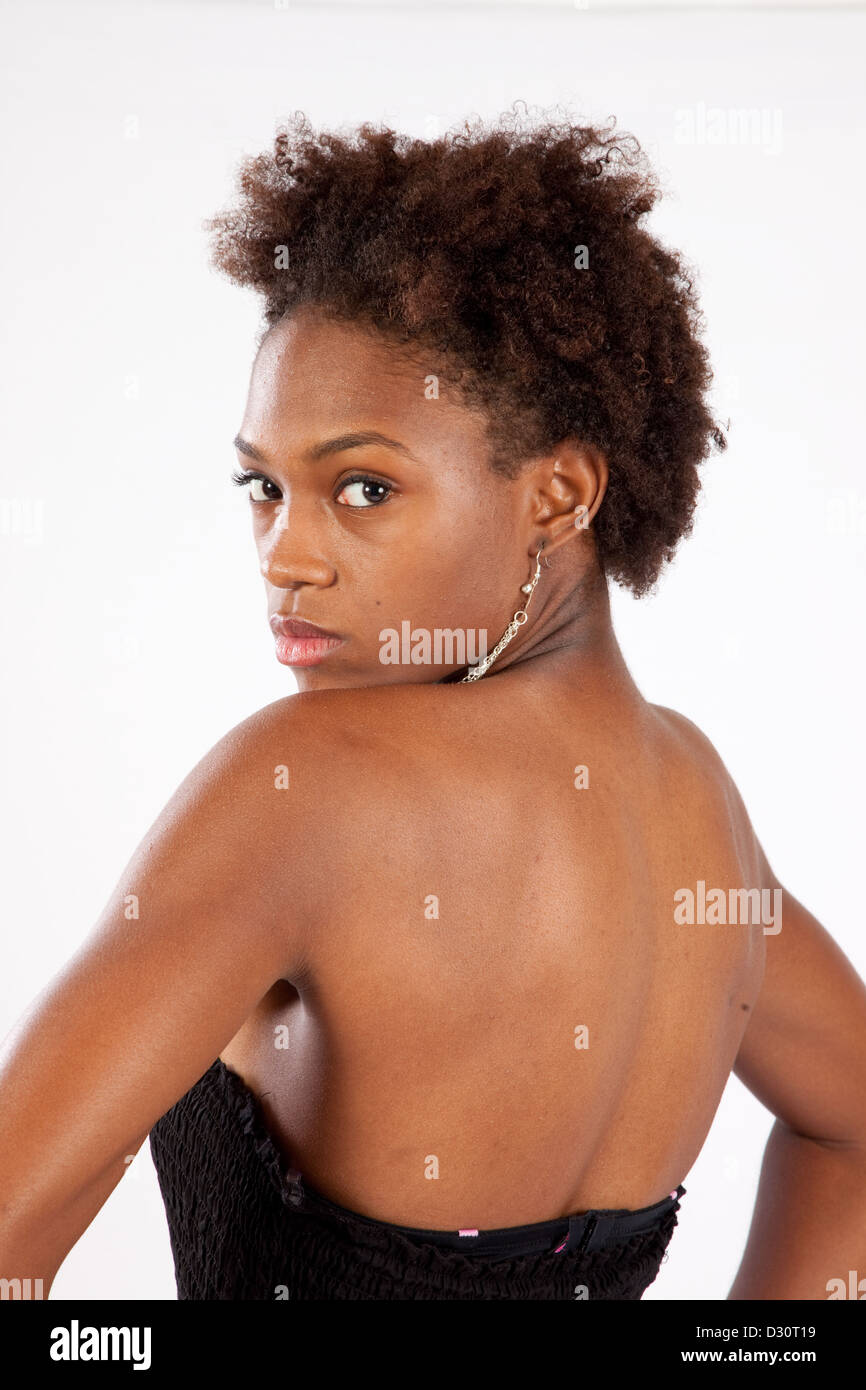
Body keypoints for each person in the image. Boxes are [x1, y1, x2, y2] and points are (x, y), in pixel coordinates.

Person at [2, 106, 865, 1301]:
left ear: (558, 493)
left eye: (361, 486)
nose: (283, 556)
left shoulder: (303, 784)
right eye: (261, 486)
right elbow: (851, 1130)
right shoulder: (696, 810)